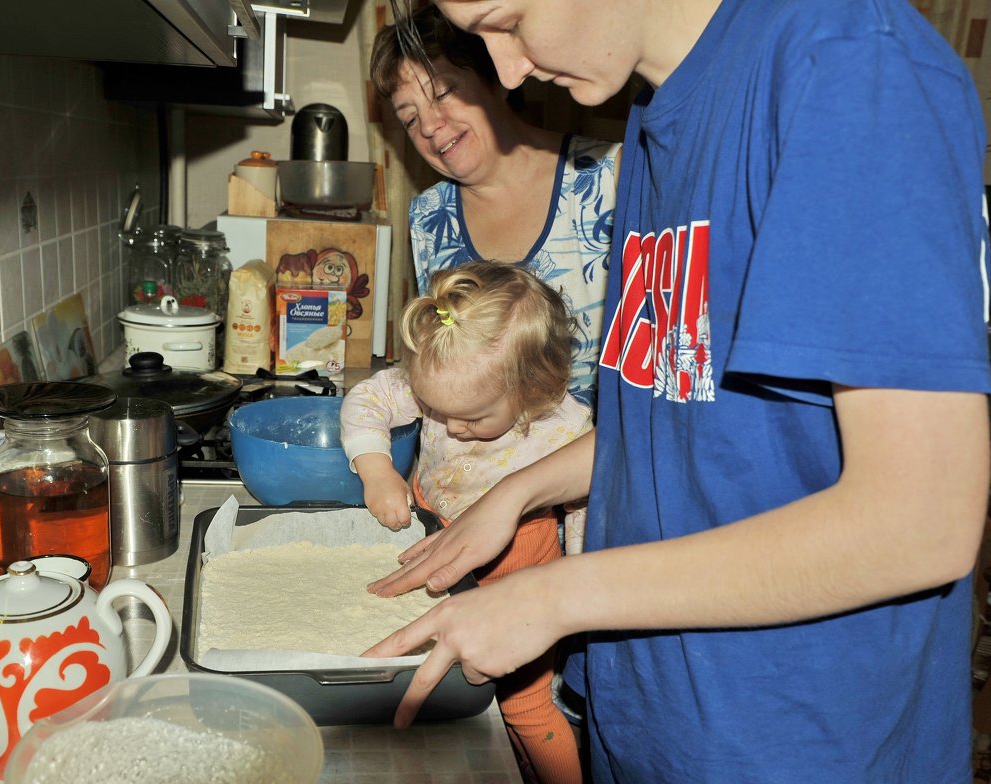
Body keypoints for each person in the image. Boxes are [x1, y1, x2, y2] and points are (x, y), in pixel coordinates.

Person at [363, 1, 991, 781]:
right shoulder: (656, 116)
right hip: (649, 715)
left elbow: (919, 523)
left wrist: (553, 598)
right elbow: (671, 422)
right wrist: (518, 494)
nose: (508, 69)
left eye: (509, 19)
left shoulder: (848, 64)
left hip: (796, 741)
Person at [341, 261, 591, 784]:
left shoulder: (566, 427)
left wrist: (576, 582)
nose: (451, 428)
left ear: (534, 389)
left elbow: (586, 502)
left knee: (524, 710)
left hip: (518, 569)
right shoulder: (450, 376)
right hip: (432, 544)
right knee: (426, 679)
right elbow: (367, 397)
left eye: (474, 419)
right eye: (434, 409)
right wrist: (376, 468)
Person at [370, 4, 620, 415]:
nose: (430, 125)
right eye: (410, 118)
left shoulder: (607, 178)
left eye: (444, 91)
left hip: (591, 472)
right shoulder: (429, 218)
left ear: (497, 79)